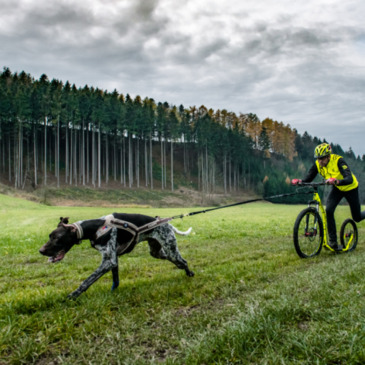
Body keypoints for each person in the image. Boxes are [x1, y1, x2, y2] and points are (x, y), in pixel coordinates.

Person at [291, 142, 365, 251]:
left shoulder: (339, 161)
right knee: (329, 210)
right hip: (337, 188)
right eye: (318, 158)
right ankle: (333, 242)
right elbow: (309, 178)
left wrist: (337, 181)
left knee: (357, 217)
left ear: (328, 156)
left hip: (350, 187)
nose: (319, 161)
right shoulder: (317, 164)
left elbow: (349, 178)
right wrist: (300, 181)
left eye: (322, 158)